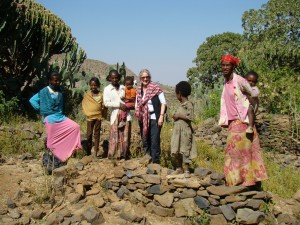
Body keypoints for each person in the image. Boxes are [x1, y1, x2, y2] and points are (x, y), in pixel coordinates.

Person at [219, 54, 267, 188]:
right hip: (233, 123)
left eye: (228, 65)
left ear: (233, 66)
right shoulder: (226, 82)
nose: (225, 67)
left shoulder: (239, 80)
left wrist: (249, 98)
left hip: (242, 122)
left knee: (237, 153)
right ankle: (240, 181)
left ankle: (238, 182)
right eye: (223, 65)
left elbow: (254, 93)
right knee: (237, 153)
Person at [29, 71, 81, 163]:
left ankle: (66, 152)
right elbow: (32, 100)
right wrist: (41, 109)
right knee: (52, 140)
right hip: (50, 118)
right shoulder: (44, 91)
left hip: (60, 117)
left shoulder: (60, 90)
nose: (57, 82)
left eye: (58, 81)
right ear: (50, 81)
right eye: (55, 81)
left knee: (75, 127)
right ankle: (53, 157)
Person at [135, 69, 167, 164]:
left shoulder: (155, 88)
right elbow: (137, 103)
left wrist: (161, 116)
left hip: (154, 118)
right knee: (145, 140)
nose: (145, 79)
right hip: (143, 119)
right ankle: (147, 160)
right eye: (143, 77)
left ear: (150, 77)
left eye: (147, 77)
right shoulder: (139, 89)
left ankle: (155, 162)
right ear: (140, 78)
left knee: (155, 141)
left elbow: (163, 103)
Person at [171, 81, 197, 178]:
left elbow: (191, 117)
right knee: (176, 149)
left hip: (185, 132)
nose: (176, 95)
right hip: (177, 132)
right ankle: (179, 168)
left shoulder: (189, 104)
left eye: (176, 93)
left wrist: (179, 116)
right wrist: (174, 116)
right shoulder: (179, 105)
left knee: (185, 150)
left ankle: (186, 169)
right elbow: (174, 115)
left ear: (180, 93)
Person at [103, 69, 131, 159]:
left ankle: (123, 154)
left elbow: (129, 98)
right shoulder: (107, 89)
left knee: (125, 134)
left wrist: (128, 105)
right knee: (115, 134)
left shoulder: (123, 87)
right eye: (112, 78)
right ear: (110, 78)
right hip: (115, 114)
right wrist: (119, 105)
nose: (114, 80)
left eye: (116, 78)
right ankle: (113, 155)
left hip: (125, 114)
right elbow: (106, 103)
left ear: (119, 78)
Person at [82, 77, 105, 156]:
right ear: (89, 85)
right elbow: (84, 104)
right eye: (91, 85)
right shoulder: (87, 95)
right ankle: (88, 152)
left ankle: (95, 151)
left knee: (97, 134)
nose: (93, 87)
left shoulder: (101, 94)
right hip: (90, 117)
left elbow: (103, 106)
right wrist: (87, 112)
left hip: (98, 116)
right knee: (89, 134)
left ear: (98, 85)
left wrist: (102, 112)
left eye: (95, 85)